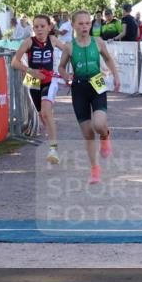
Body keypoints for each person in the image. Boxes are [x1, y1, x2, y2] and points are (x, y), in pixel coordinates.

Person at [58, 10, 121, 184]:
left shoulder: (98, 42)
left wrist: (116, 76)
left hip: (97, 84)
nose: (85, 26)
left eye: (87, 23)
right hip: (79, 89)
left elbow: (108, 59)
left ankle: (105, 134)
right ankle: (95, 169)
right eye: (81, 23)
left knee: (99, 124)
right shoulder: (69, 46)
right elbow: (61, 67)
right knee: (87, 133)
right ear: (73, 26)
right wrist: (65, 76)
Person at [11, 14, 68, 165]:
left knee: (46, 111)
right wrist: (30, 71)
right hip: (34, 81)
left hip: (49, 80)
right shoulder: (28, 42)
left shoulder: (53, 40)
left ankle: (53, 149)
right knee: (42, 115)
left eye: (43, 26)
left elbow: (69, 51)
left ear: (49, 27)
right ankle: (52, 141)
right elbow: (14, 62)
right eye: (36, 26)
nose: (39, 29)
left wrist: (66, 68)